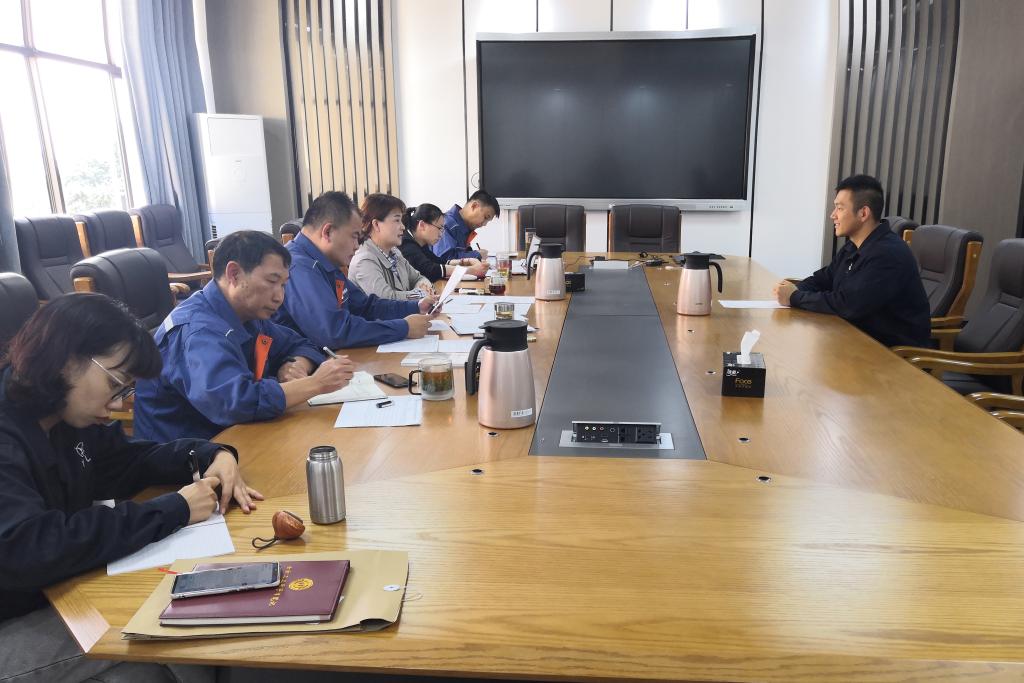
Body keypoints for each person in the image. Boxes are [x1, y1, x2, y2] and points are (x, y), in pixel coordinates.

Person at [0, 293, 259, 683]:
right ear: (67, 360)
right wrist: (173, 509)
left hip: (58, 591)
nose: (120, 405)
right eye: (114, 384)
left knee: (174, 633)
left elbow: (129, 461)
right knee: (165, 625)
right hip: (14, 618)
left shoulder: (64, 415)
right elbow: (30, 547)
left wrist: (208, 454)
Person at [134, 231, 354, 442]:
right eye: (272, 281)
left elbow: (301, 343)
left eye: (283, 285)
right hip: (187, 456)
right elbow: (235, 402)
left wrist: (294, 364)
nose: (279, 297)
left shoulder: (248, 314)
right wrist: (315, 383)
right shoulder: (198, 331)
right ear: (234, 274)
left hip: (236, 438)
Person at [773, 174, 930, 347]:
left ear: (863, 213)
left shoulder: (888, 254)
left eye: (840, 208)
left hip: (890, 352)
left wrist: (795, 297)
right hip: (856, 338)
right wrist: (795, 290)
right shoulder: (854, 246)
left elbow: (848, 305)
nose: (833, 215)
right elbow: (823, 279)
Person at [275, 191, 437, 350]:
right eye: (354, 236)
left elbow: (366, 307)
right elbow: (336, 331)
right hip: (309, 362)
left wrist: (416, 307)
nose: (357, 246)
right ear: (327, 232)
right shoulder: (299, 267)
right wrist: (403, 328)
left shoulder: (325, 261)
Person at [348, 193, 435, 300]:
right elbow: (387, 299)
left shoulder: (394, 252)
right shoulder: (364, 259)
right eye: (397, 220)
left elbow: (418, 278)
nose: (403, 227)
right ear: (376, 225)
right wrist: (420, 294)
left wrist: (424, 288)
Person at [400, 203, 489, 281]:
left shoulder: (421, 244)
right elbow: (430, 270)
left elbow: (438, 261)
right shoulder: (406, 244)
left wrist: (466, 261)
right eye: (439, 228)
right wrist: (471, 270)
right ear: (422, 225)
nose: (441, 234)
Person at [432, 189, 500, 262]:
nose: (484, 224)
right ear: (474, 206)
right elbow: (444, 259)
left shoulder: (464, 227)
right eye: (485, 217)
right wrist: (477, 255)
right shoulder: (447, 224)